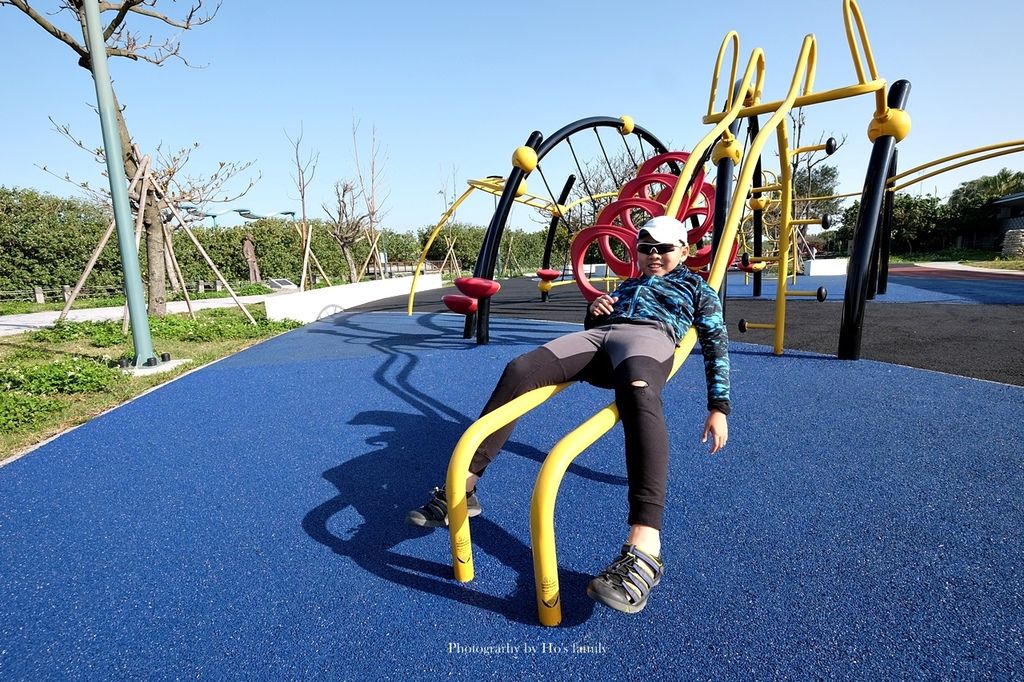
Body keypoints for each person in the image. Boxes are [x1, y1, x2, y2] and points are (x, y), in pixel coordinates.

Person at [406, 215, 731, 614]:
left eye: (663, 249)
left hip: (649, 338)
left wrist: (718, 406)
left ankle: (646, 546)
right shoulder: (627, 284)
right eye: (645, 248)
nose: (653, 256)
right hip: (601, 338)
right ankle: (465, 488)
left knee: (640, 393)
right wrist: (594, 313)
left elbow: (716, 346)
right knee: (520, 369)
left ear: (683, 250)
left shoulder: (696, 287)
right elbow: (593, 327)